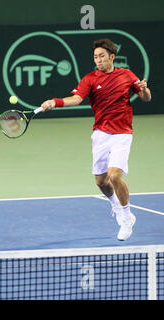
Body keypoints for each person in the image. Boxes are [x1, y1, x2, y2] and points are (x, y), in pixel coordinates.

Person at [40, 38, 151, 241]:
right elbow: (76, 99)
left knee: (115, 176)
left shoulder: (126, 75)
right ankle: (116, 205)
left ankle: (127, 217)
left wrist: (143, 89)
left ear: (112, 57)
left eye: (101, 56)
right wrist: (54, 102)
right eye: (95, 57)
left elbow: (146, 98)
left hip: (123, 133)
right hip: (101, 133)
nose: (98, 60)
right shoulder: (90, 79)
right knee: (101, 182)